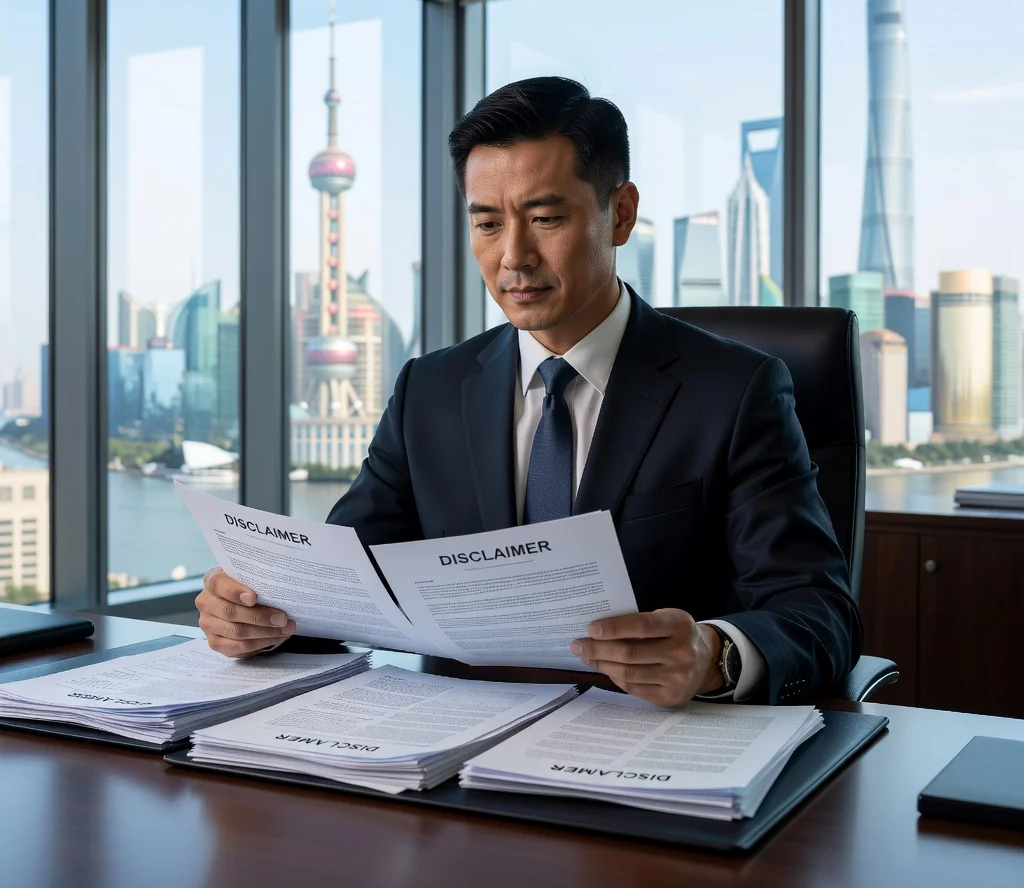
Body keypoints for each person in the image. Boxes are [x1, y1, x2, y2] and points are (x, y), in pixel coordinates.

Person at [196, 76, 861, 706]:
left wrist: (714, 655)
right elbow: (343, 588)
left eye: (544, 219)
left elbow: (819, 612)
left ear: (621, 214)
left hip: (647, 746)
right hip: (456, 744)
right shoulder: (430, 390)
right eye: (488, 224)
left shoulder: (735, 391)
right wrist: (257, 616)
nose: (513, 257)